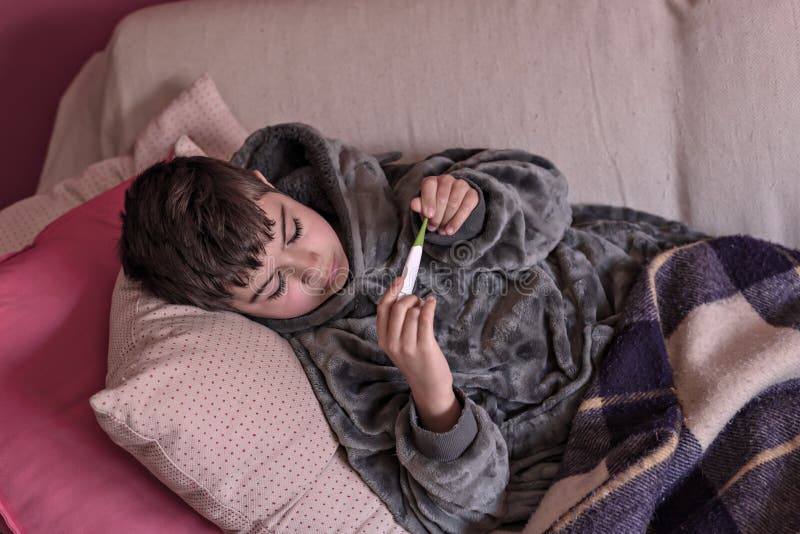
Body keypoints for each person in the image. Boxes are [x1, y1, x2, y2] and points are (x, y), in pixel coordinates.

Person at [118, 123, 706, 533]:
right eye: (275, 287)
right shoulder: (341, 364)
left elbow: (550, 197)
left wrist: (475, 207)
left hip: (636, 300)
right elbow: (461, 513)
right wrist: (434, 397)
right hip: (591, 436)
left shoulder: (398, 192)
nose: (315, 271)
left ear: (268, 187)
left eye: (294, 232)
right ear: (239, 314)